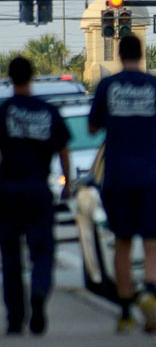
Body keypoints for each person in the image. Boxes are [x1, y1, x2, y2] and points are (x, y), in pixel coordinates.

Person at [88, 35, 156, 334]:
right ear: (142, 54)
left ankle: (125, 312)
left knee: (122, 242)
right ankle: (150, 291)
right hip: (151, 176)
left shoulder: (107, 86)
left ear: (119, 56)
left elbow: (93, 127)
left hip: (117, 177)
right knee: (153, 241)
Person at [0, 57, 71, 336]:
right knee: (42, 251)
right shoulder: (47, 111)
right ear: (31, 77)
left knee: (11, 257)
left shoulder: (4, 111)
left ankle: (15, 319)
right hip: (38, 190)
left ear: (10, 78)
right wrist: (68, 184)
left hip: (8, 192)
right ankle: (39, 291)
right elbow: (63, 150)